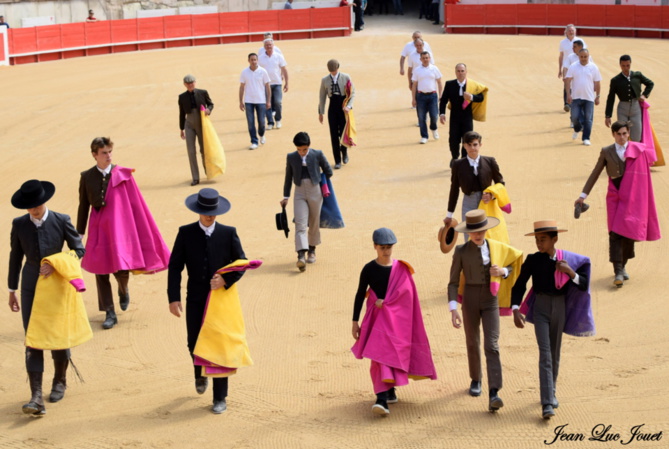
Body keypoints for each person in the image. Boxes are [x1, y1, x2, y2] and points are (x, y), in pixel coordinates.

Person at [9, 180, 85, 415]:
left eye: (37, 205)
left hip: (57, 284)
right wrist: (12, 290)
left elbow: (78, 249)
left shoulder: (61, 220)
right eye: (29, 206)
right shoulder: (20, 224)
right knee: (33, 336)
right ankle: (35, 396)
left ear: (44, 201)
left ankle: (60, 381)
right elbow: (15, 257)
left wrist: (56, 263)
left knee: (56, 332)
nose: (34, 209)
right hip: (31, 284)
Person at [78, 137, 171, 329]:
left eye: (110, 151)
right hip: (98, 230)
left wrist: (138, 228)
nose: (108, 156)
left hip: (120, 230)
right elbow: (83, 206)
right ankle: (109, 312)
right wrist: (79, 234)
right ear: (94, 155)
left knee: (121, 268)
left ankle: (123, 288)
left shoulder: (123, 175)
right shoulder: (87, 177)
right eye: (104, 153)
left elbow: (136, 204)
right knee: (100, 270)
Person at [168, 188, 246, 414]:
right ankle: (199, 373)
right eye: (205, 212)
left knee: (220, 345)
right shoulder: (185, 233)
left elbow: (241, 262)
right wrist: (173, 297)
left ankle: (220, 397)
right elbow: (175, 266)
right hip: (195, 297)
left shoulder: (228, 232)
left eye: (213, 212)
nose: (210, 216)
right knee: (194, 341)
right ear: (198, 211)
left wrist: (226, 279)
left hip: (221, 301)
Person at [511, 220, 593, 420]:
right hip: (540, 308)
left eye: (543, 240)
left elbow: (583, 284)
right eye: (537, 240)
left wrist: (570, 272)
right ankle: (547, 402)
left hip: (560, 308)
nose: (539, 243)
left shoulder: (568, 261)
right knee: (546, 353)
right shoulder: (532, 260)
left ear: (554, 239)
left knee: (555, 353)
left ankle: (551, 392)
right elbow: (519, 284)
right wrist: (515, 309)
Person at [351, 228, 437, 416]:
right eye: (382, 247)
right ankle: (382, 398)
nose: (387, 251)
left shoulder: (401, 269)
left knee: (390, 354)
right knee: (378, 356)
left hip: (397, 321)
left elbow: (408, 297)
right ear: (375, 246)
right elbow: (360, 294)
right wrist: (354, 321)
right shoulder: (369, 269)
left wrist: (388, 304)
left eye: (389, 247)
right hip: (375, 319)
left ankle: (388, 391)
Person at [448, 209, 522, 412]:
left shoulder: (497, 248)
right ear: (468, 232)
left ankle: (494, 392)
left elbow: (516, 263)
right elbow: (453, 282)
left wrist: (503, 271)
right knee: (472, 341)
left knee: (492, 344)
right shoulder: (461, 251)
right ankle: (476, 379)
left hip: (491, 300)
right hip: (470, 299)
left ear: (486, 229)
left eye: (480, 230)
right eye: (473, 231)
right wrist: (453, 308)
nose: (477, 234)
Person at [574, 121, 660, 287]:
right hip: (615, 195)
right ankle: (618, 271)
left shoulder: (639, 150)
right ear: (613, 134)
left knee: (629, 233)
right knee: (615, 232)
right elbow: (595, 173)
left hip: (633, 197)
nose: (622, 137)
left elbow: (644, 178)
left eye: (624, 134)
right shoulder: (607, 152)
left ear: (628, 133)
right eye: (618, 134)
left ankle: (623, 265)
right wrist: (582, 196)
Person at [280, 132, 333, 271]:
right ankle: (301, 256)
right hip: (299, 192)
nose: (301, 153)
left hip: (315, 190)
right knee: (300, 223)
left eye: (304, 149)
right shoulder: (291, 157)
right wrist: (286, 197)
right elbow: (288, 177)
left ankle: (312, 250)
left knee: (314, 222)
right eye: (299, 150)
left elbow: (328, 171)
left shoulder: (317, 154)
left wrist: (321, 181)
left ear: (309, 146)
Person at [443, 132, 504, 240]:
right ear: (464, 146)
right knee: (469, 236)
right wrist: (449, 215)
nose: (472, 148)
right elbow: (454, 189)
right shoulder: (457, 164)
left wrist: (492, 195)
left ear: (480, 145)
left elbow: (500, 183)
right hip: (468, 202)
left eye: (475, 144)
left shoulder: (490, 161)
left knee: (488, 235)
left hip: (487, 203)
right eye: (469, 145)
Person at [439, 63, 487, 163]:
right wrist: (442, 114)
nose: (460, 73)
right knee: (453, 140)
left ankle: (464, 160)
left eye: (462, 71)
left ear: (466, 72)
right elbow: (443, 100)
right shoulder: (450, 84)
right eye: (458, 71)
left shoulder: (472, 85)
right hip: (454, 118)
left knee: (467, 139)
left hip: (467, 118)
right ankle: (455, 158)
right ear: (455, 72)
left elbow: (481, 97)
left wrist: (471, 97)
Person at [604, 54, 654, 142]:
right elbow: (611, 98)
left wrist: (644, 95)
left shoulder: (637, 75)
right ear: (620, 65)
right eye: (623, 66)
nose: (626, 68)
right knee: (622, 136)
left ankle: (634, 156)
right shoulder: (615, 80)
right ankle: (624, 155)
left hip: (636, 108)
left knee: (637, 137)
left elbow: (650, 83)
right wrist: (608, 115)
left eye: (628, 65)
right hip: (622, 109)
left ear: (630, 64)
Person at [178, 74, 214, 186]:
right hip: (188, 123)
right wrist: (181, 128)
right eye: (188, 83)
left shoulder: (203, 92)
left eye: (192, 82)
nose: (190, 85)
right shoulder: (182, 97)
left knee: (204, 149)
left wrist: (208, 109)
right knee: (191, 151)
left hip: (201, 122)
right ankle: (195, 177)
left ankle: (208, 171)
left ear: (195, 82)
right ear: (184, 84)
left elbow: (211, 104)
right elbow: (182, 113)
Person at [318, 59, 355, 169]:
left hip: (343, 107)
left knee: (343, 132)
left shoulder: (346, 77)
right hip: (332, 107)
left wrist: (348, 106)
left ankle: (344, 152)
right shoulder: (325, 80)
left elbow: (352, 93)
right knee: (333, 134)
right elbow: (322, 97)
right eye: (331, 71)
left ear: (338, 67)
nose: (333, 73)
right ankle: (337, 160)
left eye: (334, 70)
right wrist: (321, 112)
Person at [564, 49, 601, 146]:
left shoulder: (593, 67)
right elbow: (568, 80)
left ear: (589, 56)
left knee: (588, 119)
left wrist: (597, 96)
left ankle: (586, 138)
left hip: (589, 97)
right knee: (575, 117)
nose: (583, 59)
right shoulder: (573, 66)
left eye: (585, 57)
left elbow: (597, 82)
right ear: (579, 56)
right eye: (581, 57)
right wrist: (568, 94)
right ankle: (577, 128)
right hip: (576, 97)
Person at [239, 53, 271, 150]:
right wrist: (241, 101)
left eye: (255, 60)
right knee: (251, 122)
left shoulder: (263, 71)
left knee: (261, 122)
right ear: (248, 61)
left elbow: (268, 87)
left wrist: (268, 100)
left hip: (261, 100)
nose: (253, 61)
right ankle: (254, 141)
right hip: (249, 101)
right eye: (251, 60)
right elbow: (241, 87)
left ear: (257, 60)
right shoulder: (244, 72)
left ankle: (261, 134)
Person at [411, 51, 442, 145]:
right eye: (423, 58)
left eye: (427, 58)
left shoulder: (434, 68)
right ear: (420, 59)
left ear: (430, 58)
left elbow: (439, 82)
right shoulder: (417, 70)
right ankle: (424, 136)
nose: (425, 59)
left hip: (432, 95)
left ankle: (433, 128)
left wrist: (440, 94)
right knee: (421, 117)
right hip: (421, 96)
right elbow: (414, 85)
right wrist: (413, 98)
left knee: (434, 115)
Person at [258, 39, 288, 130]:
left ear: (273, 46)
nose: (269, 46)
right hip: (266, 84)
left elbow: (284, 69)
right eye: (267, 45)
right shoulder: (261, 58)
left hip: (277, 83)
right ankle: (270, 122)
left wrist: (287, 82)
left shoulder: (278, 56)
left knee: (278, 102)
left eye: (270, 45)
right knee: (267, 104)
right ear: (264, 47)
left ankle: (278, 120)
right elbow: (258, 71)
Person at [399, 31, 433, 106]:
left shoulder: (426, 45)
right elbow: (403, 57)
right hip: (414, 70)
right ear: (412, 38)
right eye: (415, 37)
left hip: (426, 70)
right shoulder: (408, 46)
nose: (417, 39)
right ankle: (415, 102)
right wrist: (401, 68)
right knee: (414, 87)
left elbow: (430, 58)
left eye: (419, 37)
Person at [558, 24, 586, 112]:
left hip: (579, 66)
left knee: (578, 84)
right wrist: (560, 69)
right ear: (566, 32)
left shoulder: (580, 41)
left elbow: (585, 53)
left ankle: (577, 103)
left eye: (572, 30)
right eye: (569, 30)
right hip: (567, 66)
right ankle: (567, 104)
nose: (571, 32)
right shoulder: (562, 42)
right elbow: (561, 56)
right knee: (567, 84)